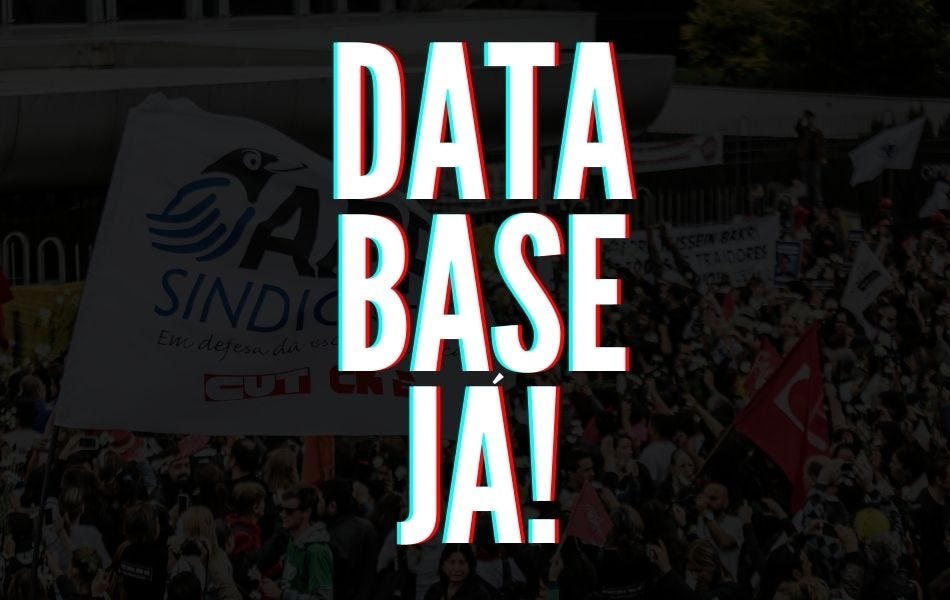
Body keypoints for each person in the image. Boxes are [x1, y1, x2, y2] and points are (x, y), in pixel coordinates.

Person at [261, 483, 333, 600]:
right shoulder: (293, 541)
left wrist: (282, 595)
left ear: (307, 512)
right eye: (281, 509)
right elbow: (293, 583)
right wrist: (276, 586)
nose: (283, 515)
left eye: (289, 511)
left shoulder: (316, 551)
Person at [423, 544, 492, 600]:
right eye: (452, 562)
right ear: (443, 565)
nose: (456, 568)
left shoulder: (479, 594)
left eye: (462, 563)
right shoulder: (434, 591)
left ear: (470, 566)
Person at [796, 110, 825, 208]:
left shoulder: (817, 132)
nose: (810, 120)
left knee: (816, 182)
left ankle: (818, 203)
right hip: (804, 160)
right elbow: (798, 129)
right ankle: (806, 202)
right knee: (805, 182)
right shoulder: (803, 130)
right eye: (808, 118)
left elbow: (822, 146)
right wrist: (801, 121)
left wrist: (823, 157)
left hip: (815, 161)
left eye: (811, 118)